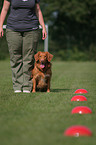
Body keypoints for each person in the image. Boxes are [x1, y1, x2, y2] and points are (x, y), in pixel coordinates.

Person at [0, 0, 47, 93]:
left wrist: (43, 27)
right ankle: (17, 85)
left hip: (32, 29)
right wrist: (0, 25)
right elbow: (5, 9)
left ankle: (27, 86)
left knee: (29, 58)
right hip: (13, 29)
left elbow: (38, 10)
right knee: (15, 57)